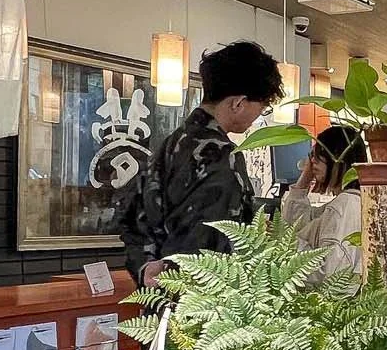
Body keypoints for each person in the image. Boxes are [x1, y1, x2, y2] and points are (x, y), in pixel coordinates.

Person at [119, 39, 284, 283]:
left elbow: (131, 218)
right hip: (205, 307)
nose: (259, 115)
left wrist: (145, 269)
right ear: (238, 103)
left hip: (157, 301)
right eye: (262, 107)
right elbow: (211, 248)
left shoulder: (170, 144)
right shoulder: (223, 157)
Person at [279, 124, 368, 278]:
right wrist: (305, 178)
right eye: (311, 155)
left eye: (319, 155)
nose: (312, 161)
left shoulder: (345, 205)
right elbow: (295, 225)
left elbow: (329, 272)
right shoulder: (344, 203)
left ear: (338, 157)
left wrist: (286, 244)